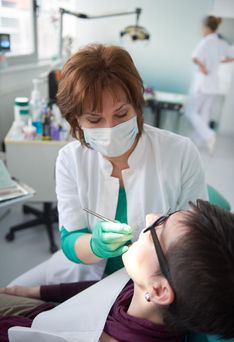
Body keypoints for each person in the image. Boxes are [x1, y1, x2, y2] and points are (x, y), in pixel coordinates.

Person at [8, 43, 207, 288]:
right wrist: (94, 245)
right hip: (82, 275)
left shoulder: (179, 153)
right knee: (10, 295)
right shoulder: (70, 159)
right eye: (94, 119)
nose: (110, 128)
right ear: (75, 120)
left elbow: (196, 237)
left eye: (121, 114)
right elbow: (70, 239)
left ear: (136, 105)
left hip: (151, 283)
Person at [1, 200, 234, 342]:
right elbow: (98, 293)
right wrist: (35, 292)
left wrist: (86, 336)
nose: (151, 216)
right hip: (51, 314)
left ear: (159, 290)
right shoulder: (147, 292)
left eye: (160, 227)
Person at [186, 16, 234, 154]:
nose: (201, 30)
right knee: (205, 113)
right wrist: (219, 63)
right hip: (214, 83)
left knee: (191, 112)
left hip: (203, 81)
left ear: (207, 27)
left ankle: (208, 135)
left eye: (202, 28)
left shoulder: (206, 41)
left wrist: (203, 66)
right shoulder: (222, 43)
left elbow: (194, 57)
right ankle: (199, 143)